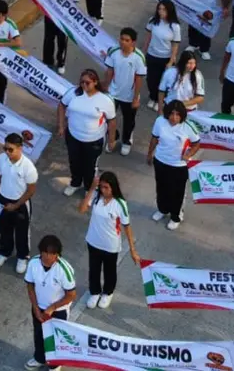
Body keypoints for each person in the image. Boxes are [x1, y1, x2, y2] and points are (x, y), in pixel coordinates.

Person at [79, 171, 140, 309]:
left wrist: (132, 250)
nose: (103, 190)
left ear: (113, 187)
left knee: (109, 271)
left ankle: (107, 292)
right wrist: (91, 189)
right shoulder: (95, 197)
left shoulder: (120, 204)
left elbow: (127, 227)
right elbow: (82, 209)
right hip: (93, 241)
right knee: (93, 269)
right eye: (101, 187)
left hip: (110, 245)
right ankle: (94, 292)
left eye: (106, 187)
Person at [59, 69, 116, 197]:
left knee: (90, 167)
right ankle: (75, 183)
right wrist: (61, 126)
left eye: (87, 83)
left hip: (94, 140)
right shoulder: (73, 93)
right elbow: (62, 106)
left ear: (95, 82)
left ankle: (89, 188)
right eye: (82, 82)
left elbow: (112, 121)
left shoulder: (105, 100)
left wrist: (111, 140)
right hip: (73, 136)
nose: (84, 85)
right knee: (74, 161)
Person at [24, 235, 78, 369]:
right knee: (38, 334)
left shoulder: (64, 270)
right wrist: (36, 308)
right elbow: (30, 286)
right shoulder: (33, 263)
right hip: (39, 307)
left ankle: (54, 365)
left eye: (52, 254)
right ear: (41, 251)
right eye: (46, 253)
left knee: (55, 339)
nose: (48, 257)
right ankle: (39, 358)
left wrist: (52, 307)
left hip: (58, 311)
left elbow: (71, 295)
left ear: (57, 255)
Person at [148, 101, 200, 230]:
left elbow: (196, 143)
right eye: (171, 114)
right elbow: (154, 138)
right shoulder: (160, 121)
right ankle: (162, 209)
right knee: (161, 188)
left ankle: (175, 216)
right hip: (160, 161)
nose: (174, 117)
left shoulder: (188, 127)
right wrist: (150, 154)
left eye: (177, 115)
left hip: (179, 166)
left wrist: (188, 154)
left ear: (182, 115)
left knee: (177, 193)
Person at [0, 132, 39, 273]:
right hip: (2, 198)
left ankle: (22, 256)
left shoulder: (28, 167)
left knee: (22, 232)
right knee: (3, 227)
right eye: (5, 148)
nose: (7, 152)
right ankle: (5, 251)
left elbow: (31, 190)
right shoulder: (2, 159)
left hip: (20, 203)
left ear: (20, 148)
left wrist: (16, 205)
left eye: (10, 149)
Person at [104, 28, 147, 154]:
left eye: (127, 40)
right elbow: (110, 71)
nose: (123, 42)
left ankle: (126, 141)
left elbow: (139, 79)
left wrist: (135, 98)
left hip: (129, 96)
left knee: (129, 121)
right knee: (108, 118)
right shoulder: (113, 52)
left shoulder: (139, 57)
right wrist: (106, 87)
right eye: (121, 39)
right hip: (113, 93)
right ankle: (113, 137)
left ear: (133, 42)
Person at [142, 0, 182, 110]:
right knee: (151, 79)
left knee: (162, 80)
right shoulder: (153, 21)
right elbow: (148, 37)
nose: (161, 12)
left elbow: (175, 44)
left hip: (165, 57)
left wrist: (171, 60)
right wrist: (143, 52)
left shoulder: (174, 26)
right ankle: (153, 97)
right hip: (152, 54)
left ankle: (161, 101)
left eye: (164, 9)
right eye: (159, 9)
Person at [43, 0, 80, 73]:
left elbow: (74, 6)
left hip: (63, 20)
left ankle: (61, 63)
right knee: (48, 39)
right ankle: (48, 61)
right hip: (50, 16)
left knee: (61, 42)